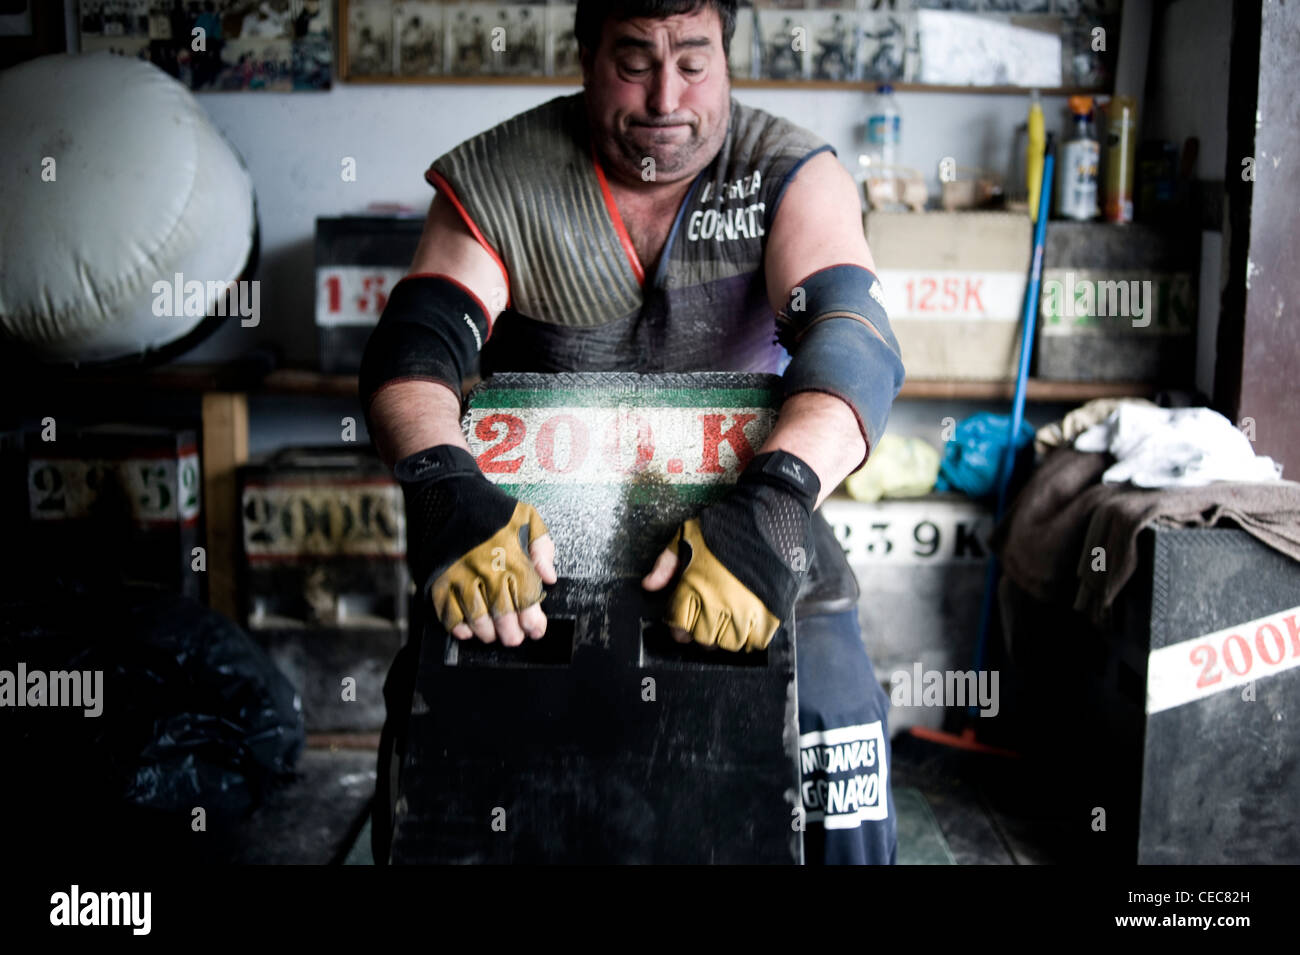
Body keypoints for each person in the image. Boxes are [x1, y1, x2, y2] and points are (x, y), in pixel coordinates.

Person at [361, 0, 904, 866]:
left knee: (840, 726)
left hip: (751, 519)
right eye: (633, 61)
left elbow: (856, 342)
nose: (664, 96)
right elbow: (416, 342)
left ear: (728, 56)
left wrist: (774, 506)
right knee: (430, 724)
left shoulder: (790, 172)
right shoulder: (502, 176)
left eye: (693, 61)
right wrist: (441, 485)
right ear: (584, 56)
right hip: (533, 550)